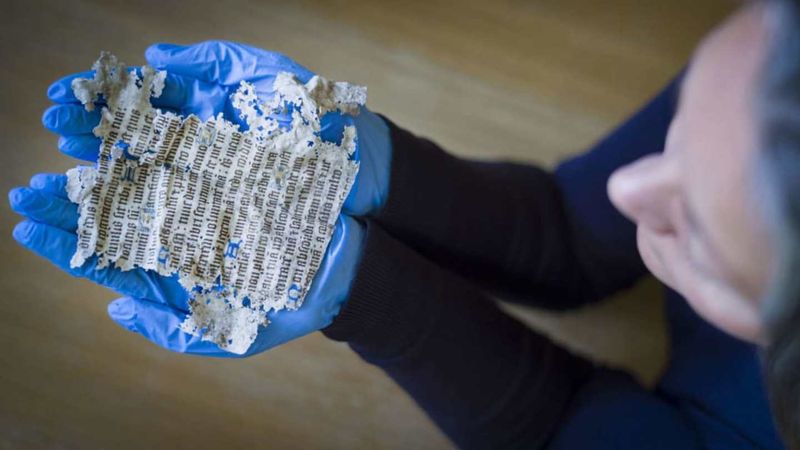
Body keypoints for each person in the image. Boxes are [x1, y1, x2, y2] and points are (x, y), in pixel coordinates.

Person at [8, 0, 799, 447]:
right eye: (682, 130)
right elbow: (569, 234)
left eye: (694, 220)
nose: (628, 188)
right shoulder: (776, 85)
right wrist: (374, 168)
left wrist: (375, 305)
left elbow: (562, 426)